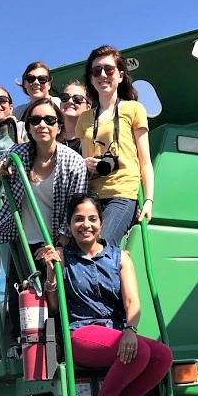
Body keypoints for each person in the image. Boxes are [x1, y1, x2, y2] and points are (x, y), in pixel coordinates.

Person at [39, 193, 172, 396]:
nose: (85, 225)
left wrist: (130, 330)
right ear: (69, 224)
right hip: (80, 332)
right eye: (78, 219)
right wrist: (50, 275)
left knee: (163, 356)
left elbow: (132, 301)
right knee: (140, 352)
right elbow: (55, 308)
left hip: (118, 332)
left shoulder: (120, 257)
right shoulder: (61, 258)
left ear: (101, 223)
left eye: (92, 219)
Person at [0, 98, 87, 250]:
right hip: (22, 241)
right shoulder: (18, 153)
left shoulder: (74, 162)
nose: (42, 125)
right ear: (29, 128)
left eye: (49, 120)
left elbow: (76, 208)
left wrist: (59, 247)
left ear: (59, 127)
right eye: (35, 120)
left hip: (58, 243)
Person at [76, 45, 154, 246]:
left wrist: (148, 201)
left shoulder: (133, 109)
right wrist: (88, 165)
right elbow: (85, 162)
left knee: (101, 245)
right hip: (92, 196)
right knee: (84, 250)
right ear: (91, 78)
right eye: (96, 70)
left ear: (120, 75)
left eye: (109, 69)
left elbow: (145, 161)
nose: (102, 74)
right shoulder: (84, 118)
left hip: (123, 193)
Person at [59, 81, 91, 153]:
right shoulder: (51, 138)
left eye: (77, 99)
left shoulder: (94, 139)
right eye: (65, 97)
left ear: (88, 108)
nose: (70, 101)